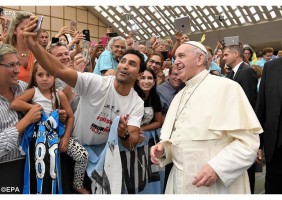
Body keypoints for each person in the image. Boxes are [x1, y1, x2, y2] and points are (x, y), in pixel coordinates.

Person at [23, 15, 146, 193]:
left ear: (140, 73)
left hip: (102, 159)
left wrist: (124, 134)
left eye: (132, 64)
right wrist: (33, 45)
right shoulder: (97, 83)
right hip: (73, 152)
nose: (125, 66)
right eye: (123, 61)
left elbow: (132, 141)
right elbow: (58, 69)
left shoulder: (137, 103)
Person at [150, 41, 262, 194]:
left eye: (181, 55)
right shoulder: (179, 96)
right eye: (175, 57)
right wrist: (164, 149)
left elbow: (248, 143)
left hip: (215, 186)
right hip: (179, 183)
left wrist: (217, 168)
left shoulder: (227, 87)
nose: (176, 62)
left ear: (200, 59)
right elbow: (179, 140)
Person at [10, 61, 89, 194]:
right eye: (40, 75)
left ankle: (77, 184)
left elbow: (70, 117)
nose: (45, 78)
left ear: (55, 77)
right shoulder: (33, 92)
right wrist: (34, 108)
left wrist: (65, 138)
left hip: (57, 135)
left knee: (82, 155)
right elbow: (15, 104)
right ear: (34, 76)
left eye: (49, 75)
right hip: (38, 138)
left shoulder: (60, 95)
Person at [119, 67, 163, 194]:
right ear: (137, 80)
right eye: (143, 77)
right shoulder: (130, 96)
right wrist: (133, 132)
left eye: (150, 78)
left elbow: (158, 121)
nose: (146, 81)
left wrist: (141, 129)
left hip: (145, 141)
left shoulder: (155, 97)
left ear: (154, 81)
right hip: (127, 140)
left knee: (144, 174)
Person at [222, 44, 258, 193]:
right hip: (233, 125)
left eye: (226, 55)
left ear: (236, 54)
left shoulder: (247, 71)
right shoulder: (231, 74)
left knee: (247, 171)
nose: (223, 58)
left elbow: (249, 103)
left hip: (244, 127)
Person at [256, 57, 282, 194]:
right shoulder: (270, 67)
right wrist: (258, 143)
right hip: (275, 145)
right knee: (274, 189)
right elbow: (261, 106)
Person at [4, 11, 36, 83]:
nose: (27, 32)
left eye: (31, 29)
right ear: (15, 30)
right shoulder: (5, 53)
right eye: (23, 29)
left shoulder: (38, 53)